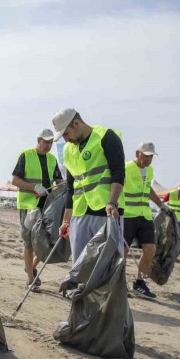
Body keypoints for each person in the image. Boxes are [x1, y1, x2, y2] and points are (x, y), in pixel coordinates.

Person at [52, 108, 126, 265]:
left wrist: (112, 202)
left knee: (107, 265)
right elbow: (71, 188)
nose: (66, 140)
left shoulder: (106, 137)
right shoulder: (68, 150)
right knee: (80, 266)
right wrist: (65, 221)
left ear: (76, 123)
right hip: (80, 214)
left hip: (106, 212)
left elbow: (118, 172)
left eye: (66, 134)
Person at [12, 128, 63, 291]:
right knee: (29, 243)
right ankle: (30, 279)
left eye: (50, 142)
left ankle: (31, 267)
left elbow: (59, 181)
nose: (48, 145)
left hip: (47, 207)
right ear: (38, 140)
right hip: (29, 207)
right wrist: (34, 187)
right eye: (46, 142)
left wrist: (64, 187)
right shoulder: (25, 155)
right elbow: (15, 180)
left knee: (45, 242)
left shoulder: (52, 159)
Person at [123, 142, 170, 298]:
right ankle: (118, 283)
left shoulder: (149, 171)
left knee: (150, 249)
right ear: (138, 153)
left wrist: (161, 205)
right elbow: (115, 185)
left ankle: (139, 283)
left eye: (151, 156)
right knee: (123, 250)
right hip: (128, 215)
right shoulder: (126, 168)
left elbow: (148, 190)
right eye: (146, 156)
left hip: (145, 216)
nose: (148, 160)